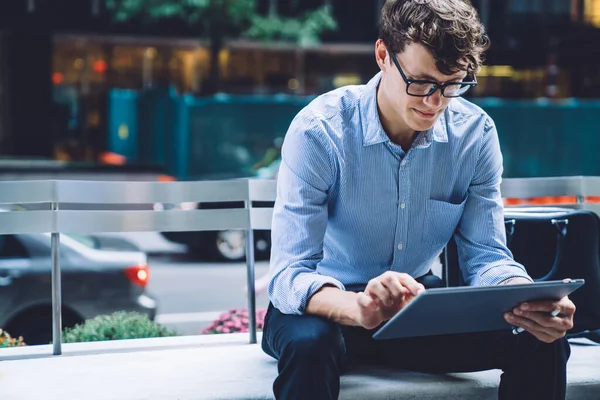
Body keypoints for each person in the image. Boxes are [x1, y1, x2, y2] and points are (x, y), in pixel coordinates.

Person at [261, 1, 577, 399]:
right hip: (324, 306)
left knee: (541, 338)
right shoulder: (319, 131)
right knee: (310, 345)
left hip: (414, 311)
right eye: (422, 82)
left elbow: (487, 256)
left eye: (451, 85)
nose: (435, 102)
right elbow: (289, 274)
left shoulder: (474, 135)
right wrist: (357, 306)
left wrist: (528, 299)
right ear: (383, 56)